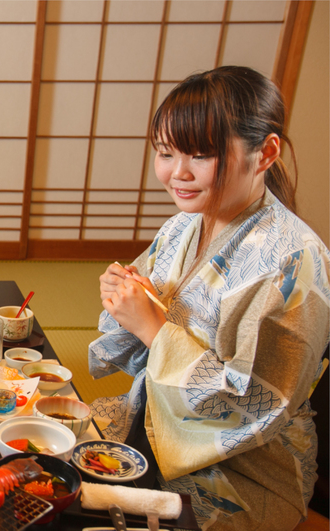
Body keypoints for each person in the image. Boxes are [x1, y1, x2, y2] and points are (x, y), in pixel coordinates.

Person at [89, 66, 329, 530]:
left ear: (266, 152)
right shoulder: (184, 224)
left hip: (243, 473)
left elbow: (254, 410)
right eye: (165, 153)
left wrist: (153, 328)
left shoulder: (293, 261)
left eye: (201, 155)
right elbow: (136, 343)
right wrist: (126, 302)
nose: (177, 173)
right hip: (155, 424)